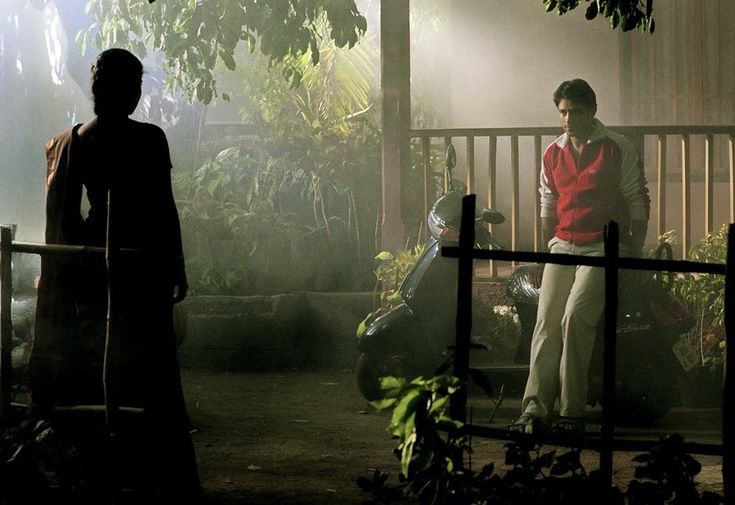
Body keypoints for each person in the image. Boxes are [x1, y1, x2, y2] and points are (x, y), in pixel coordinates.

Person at [29, 48, 201, 500]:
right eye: (135, 85)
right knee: (144, 364)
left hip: (92, 264)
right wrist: (175, 262)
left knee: (97, 360)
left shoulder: (74, 142)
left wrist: (59, 275)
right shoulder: (148, 140)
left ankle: (98, 465)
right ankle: (143, 468)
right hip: (139, 263)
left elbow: (63, 219)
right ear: (127, 91)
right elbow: (163, 208)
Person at [510, 78, 650, 436]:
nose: (567, 118)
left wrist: (633, 251)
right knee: (545, 321)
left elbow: (637, 200)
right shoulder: (553, 153)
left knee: (575, 318)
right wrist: (546, 254)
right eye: (562, 112)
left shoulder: (615, 147)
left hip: (602, 247)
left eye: (574, 111)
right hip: (563, 244)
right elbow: (548, 202)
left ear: (592, 111)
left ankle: (572, 411)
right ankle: (534, 409)